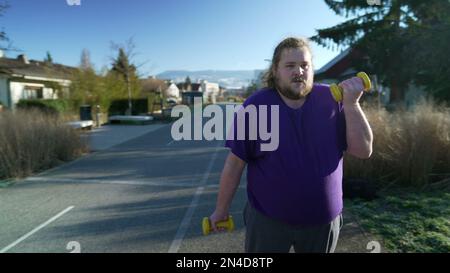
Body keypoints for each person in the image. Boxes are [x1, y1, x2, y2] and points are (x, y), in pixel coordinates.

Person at [208, 37, 373, 253]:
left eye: (305, 65)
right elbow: (234, 165)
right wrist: (221, 210)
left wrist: (352, 104)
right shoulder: (256, 106)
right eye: (290, 66)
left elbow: (363, 150)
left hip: (323, 221)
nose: (299, 71)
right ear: (275, 70)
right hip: (268, 222)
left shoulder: (333, 100)